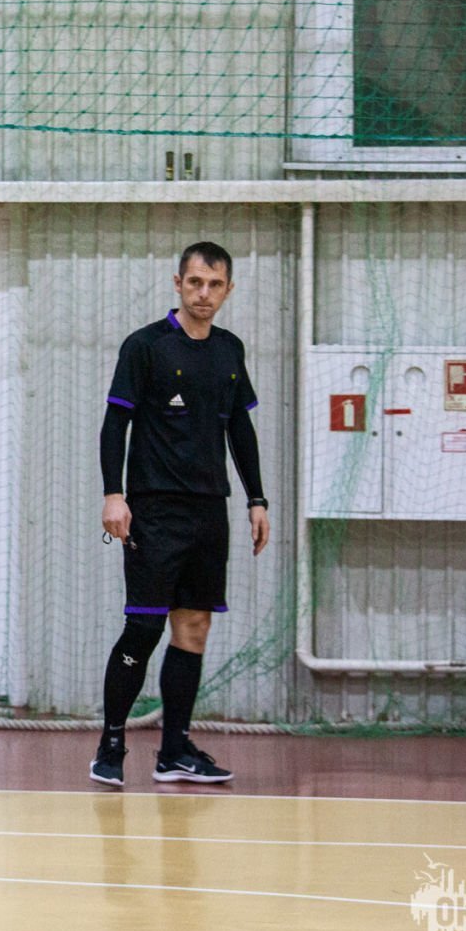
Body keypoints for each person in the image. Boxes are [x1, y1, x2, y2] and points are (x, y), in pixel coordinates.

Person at [91, 242, 269, 788]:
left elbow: (239, 429)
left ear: (228, 289)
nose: (203, 294)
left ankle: (173, 752)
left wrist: (257, 499)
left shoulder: (230, 350)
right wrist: (114, 494)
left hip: (208, 511)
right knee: (144, 627)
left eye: (214, 285)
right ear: (178, 283)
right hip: (153, 510)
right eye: (195, 282)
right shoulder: (145, 346)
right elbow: (115, 423)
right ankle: (111, 744)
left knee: (193, 627)